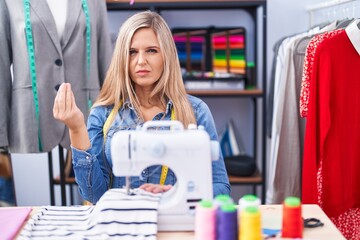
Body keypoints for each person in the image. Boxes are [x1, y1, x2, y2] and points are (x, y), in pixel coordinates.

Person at [53, 11, 231, 204]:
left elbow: (221, 188)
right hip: (121, 225)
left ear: (167, 56)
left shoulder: (196, 111)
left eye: (152, 50)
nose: (141, 61)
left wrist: (178, 193)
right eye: (132, 52)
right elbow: (96, 196)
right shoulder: (103, 114)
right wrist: (76, 128)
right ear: (123, 57)